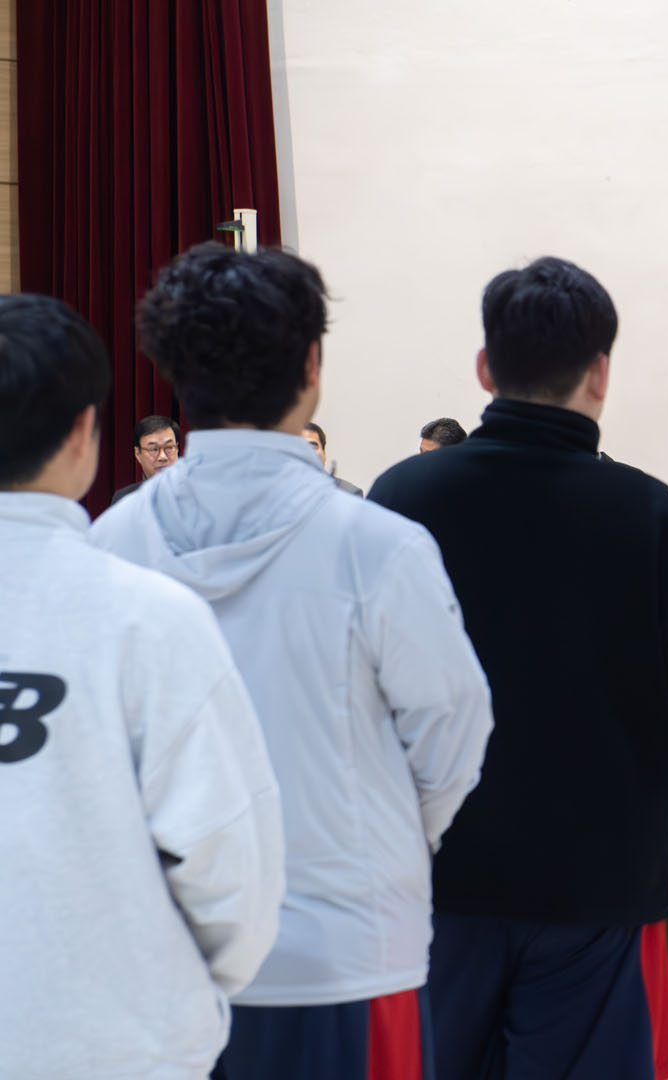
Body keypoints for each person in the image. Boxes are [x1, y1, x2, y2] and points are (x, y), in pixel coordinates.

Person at [92, 243, 494, 1080]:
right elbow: (454, 733)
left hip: (162, 956)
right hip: (348, 953)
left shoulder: (114, 544)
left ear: (174, 372)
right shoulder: (380, 546)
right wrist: (382, 838)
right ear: (312, 366)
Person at [369, 256, 668, 1079]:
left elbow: (354, 696)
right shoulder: (651, 516)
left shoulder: (402, 501)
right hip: (598, 890)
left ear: (485, 368)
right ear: (600, 373)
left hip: (434, 886)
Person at [0, 294, 284, 1078]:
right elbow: (231, 867)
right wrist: (179, 997)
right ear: (84, 432)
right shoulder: (151, 617)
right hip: (117, 1041)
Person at [110, 413, 181, 504]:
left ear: (177, 449)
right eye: (153, 449)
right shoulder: (124, 498)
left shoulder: (195, 492)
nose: (162, 457)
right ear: (138, 453)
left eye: (169, 447)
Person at [301, 420, 364, 495]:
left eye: (312, 446)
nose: (307, 452)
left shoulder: (349, 492)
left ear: (324, 454)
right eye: (299, 446)